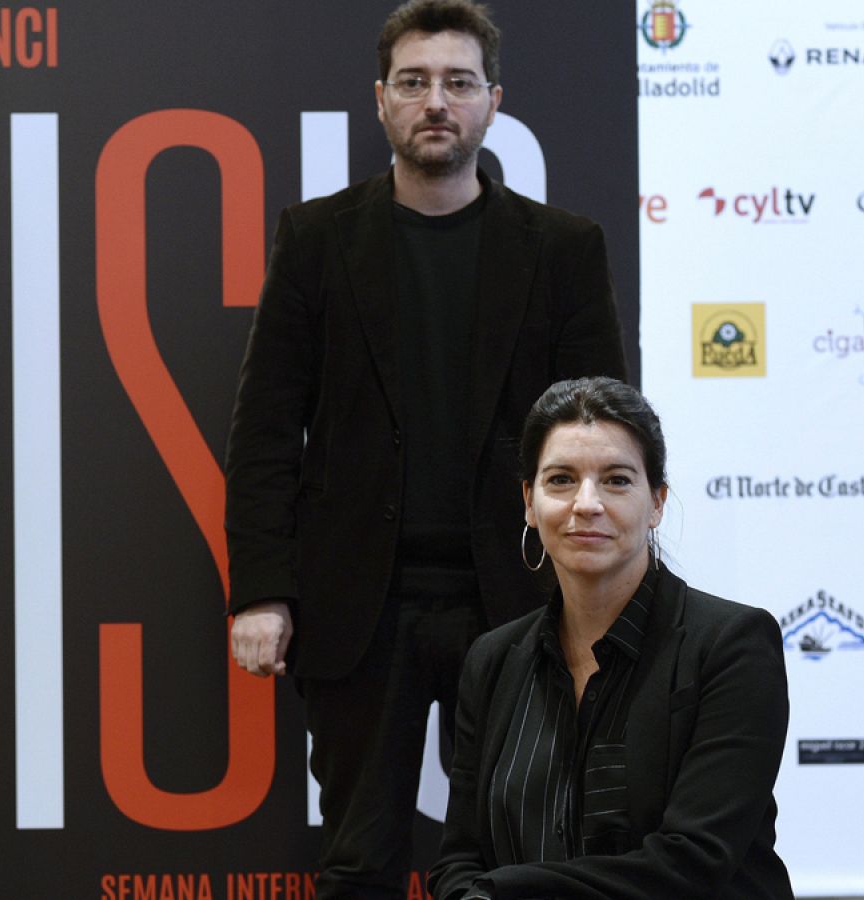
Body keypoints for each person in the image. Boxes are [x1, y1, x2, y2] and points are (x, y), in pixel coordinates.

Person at [223, 0, 627, 894]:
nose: (434, 101)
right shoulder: (318, 240)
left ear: (492, 102)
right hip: (361, 607)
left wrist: (601, 597)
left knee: (520, 858)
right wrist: (261, 591)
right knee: (360, 859)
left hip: (520, 600)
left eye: (456, 82)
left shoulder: (562, 249)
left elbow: (604, 435)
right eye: (413, 83)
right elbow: (264, 432)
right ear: (381, 101)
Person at [428, 377, 793, 900]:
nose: (587, 503)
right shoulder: (494, 661)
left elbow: (692, 861)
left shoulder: (732, 646)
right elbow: (460, 858)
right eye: (560, 480)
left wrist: (504, 895)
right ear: (530, 502)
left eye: (617, 480)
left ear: (657, 502)